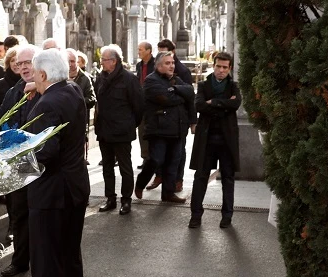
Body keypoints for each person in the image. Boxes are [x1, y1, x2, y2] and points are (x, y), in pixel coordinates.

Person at [15, 49, 89, 277]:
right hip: (74, 187)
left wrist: (16, 159)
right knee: (69, 252)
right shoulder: (71, 90)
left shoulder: (47, 104)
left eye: (33, 72)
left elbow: (45, 151)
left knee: (45, 259)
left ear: (43, 75)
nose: (31, 76)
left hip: (51, 193)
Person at [0, 44, 39, 277]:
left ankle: (43, 261)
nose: (23, 67)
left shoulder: (47, 89)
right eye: (19, 64)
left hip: (42, 165)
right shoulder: (14, 90)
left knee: (41, 216)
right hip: (17, 165)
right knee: (18, 215)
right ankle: (20, 260)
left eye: (27, 62)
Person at [189, 52, 241, 229]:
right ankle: (195, 215)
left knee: (228, 178)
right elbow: (199, 105)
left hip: (227, 140)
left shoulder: (234, 87)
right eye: (218, 66)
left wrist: (213, 103)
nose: (221, 70)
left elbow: (235, 104)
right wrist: (223, 104)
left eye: (225, 67)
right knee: (201, 177)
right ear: (214, 66)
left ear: (230, 68)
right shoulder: (203, 85)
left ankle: (227, 216)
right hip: (207, 139)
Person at [133, 51, 193, 205]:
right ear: (158, 65)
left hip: (177, 129)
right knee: (156, 159)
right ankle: (141, 182)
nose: (171, 66)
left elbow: (190, 92)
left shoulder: (176, 79)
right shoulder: (151, 81)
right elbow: (166, 99)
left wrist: (176, 90)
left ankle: (168, 193)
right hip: (158, 129)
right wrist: (179, 94)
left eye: (172, 63)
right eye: (167, 63)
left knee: (173, 162)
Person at [93, 44, 143, 215]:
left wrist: (129, 124)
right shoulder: (100, 78)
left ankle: (126, 200)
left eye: (104, 60)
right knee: (107, 167)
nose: (101, 63)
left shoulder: (128, 79)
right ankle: (110, 198)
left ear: (113, 61)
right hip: (104, 130)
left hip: (122, 131)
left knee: (125, 167)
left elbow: (138, 106)